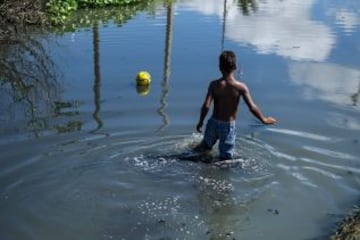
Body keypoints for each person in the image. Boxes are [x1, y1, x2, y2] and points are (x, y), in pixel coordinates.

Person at [194, 50, 276, 160]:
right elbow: (252, 107)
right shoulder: (240, 87)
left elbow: (206, 106)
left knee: (203, 148)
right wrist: (264, 120)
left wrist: (200, 122)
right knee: (226, 158)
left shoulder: (214, 85)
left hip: (213, 123)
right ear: (235, 67)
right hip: (228, 126)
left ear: (219, 67)